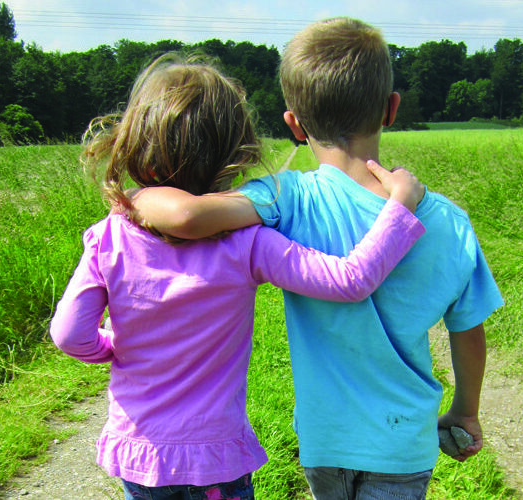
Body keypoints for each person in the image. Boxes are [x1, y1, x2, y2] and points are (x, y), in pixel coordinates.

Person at [128, 19, 505, 500]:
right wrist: (464, 410)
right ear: (390, 110)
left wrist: (134, 197)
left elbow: (188, 217)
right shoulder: (449, 221)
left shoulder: (283, 199)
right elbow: (467, 328)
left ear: (293, 124)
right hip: (404, 442)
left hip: (325, 438)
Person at [48, 52, 426, 500]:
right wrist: (399, 207)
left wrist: (112, 345)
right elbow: (350, 280)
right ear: (233, 152)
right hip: (214, 461)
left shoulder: (108, 237)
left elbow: (70, 335)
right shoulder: (247, 242)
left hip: (141, 455)